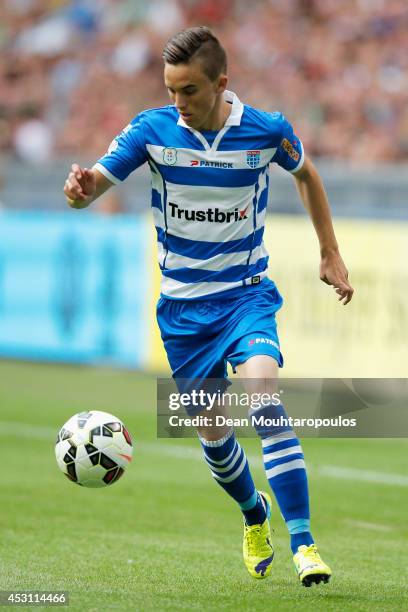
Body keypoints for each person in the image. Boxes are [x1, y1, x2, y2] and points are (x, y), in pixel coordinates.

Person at [63, 26, 354, 587]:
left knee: (265, 401)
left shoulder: (267, 131)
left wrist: (330, 252)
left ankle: (305, 543)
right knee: (216, 443)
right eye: (171, 90)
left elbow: (307, 174)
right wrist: (79, 189)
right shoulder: (153, 131)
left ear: (222, 83)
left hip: (246, 298)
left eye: (190, 91)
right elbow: (96, 181)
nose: (179, 103)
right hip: (183, 315)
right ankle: (254, 515)